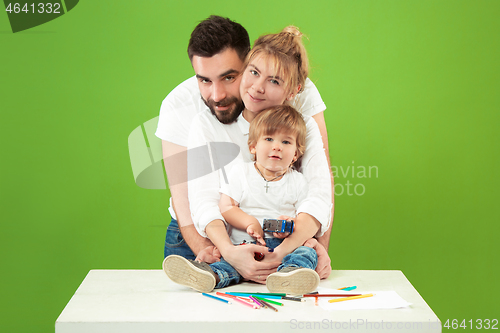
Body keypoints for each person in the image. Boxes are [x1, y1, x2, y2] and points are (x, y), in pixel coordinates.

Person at [155, 16, 334, 281]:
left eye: (229, 77)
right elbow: (189, 200)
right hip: (206, 232)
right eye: (204, 80)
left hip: (283, 235)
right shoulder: (186, 111)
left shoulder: (298, 93)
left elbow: (320, 188)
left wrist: (313, 247)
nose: (217, 95)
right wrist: (221, 252)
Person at [163, 105, 320, 294]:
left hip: (283, 251)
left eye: (286, 142)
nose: (277, 146)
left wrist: (290, 224)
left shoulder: (298, 182)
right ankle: (210, 275)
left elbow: (306, 215)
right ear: (253, 146)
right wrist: (249, 222)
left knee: (307, 252)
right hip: (243, 246)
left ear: (295, 154)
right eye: (269, 139)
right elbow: (226, 206)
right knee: (224, 262)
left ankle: (290, 274)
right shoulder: (241, 173)